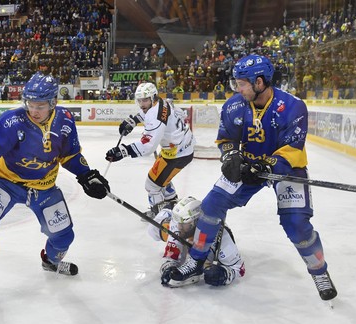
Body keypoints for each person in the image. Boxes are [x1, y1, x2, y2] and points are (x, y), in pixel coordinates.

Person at [161, 54, 337, 301]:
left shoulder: (293, 106)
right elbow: (226, 139)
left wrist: (267, 165)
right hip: (249, 165)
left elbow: (292, 149)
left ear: (260, 82)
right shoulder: (234, 106)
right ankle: (196, 260)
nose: (237, 88)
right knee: (212, 205)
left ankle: (319, 271)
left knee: (296, 225)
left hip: (287, 169)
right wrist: (231, 156)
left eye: (242, 83)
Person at [0, 72, 110, 295]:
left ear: (53, 103)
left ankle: (50, 261)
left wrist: (86, 175)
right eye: (30, 104)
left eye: (40, 105)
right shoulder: (12, 121)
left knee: (64, 237)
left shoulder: (65, 120)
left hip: (44, 186)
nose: (34, 111)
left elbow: (69, 154)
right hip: (5, 182)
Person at [105, 82, 195, 217]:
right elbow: (145, 111)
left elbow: (148, 145)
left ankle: (160, 217)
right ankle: (172, 202)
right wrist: (133, 120)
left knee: (152, 185)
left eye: (145, 100)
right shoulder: (160, 102)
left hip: (177, 154)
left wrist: (124, 151)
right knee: (161, 179)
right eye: (139, 100)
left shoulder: (155, 116)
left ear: (152, 98)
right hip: (179, 147)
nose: (142, 104)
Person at [147, 196, 244, 287]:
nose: (179, 226)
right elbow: (172, 257)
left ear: (196, 222)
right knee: (153, 229)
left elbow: (239, 268)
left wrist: (224, 274)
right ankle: (169, 208)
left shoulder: (220, 237)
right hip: (187, 228)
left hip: (205, 239)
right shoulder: (179, 223)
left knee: (207, 255)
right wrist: (169, 267)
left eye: (183, 224)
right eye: (178, 222)